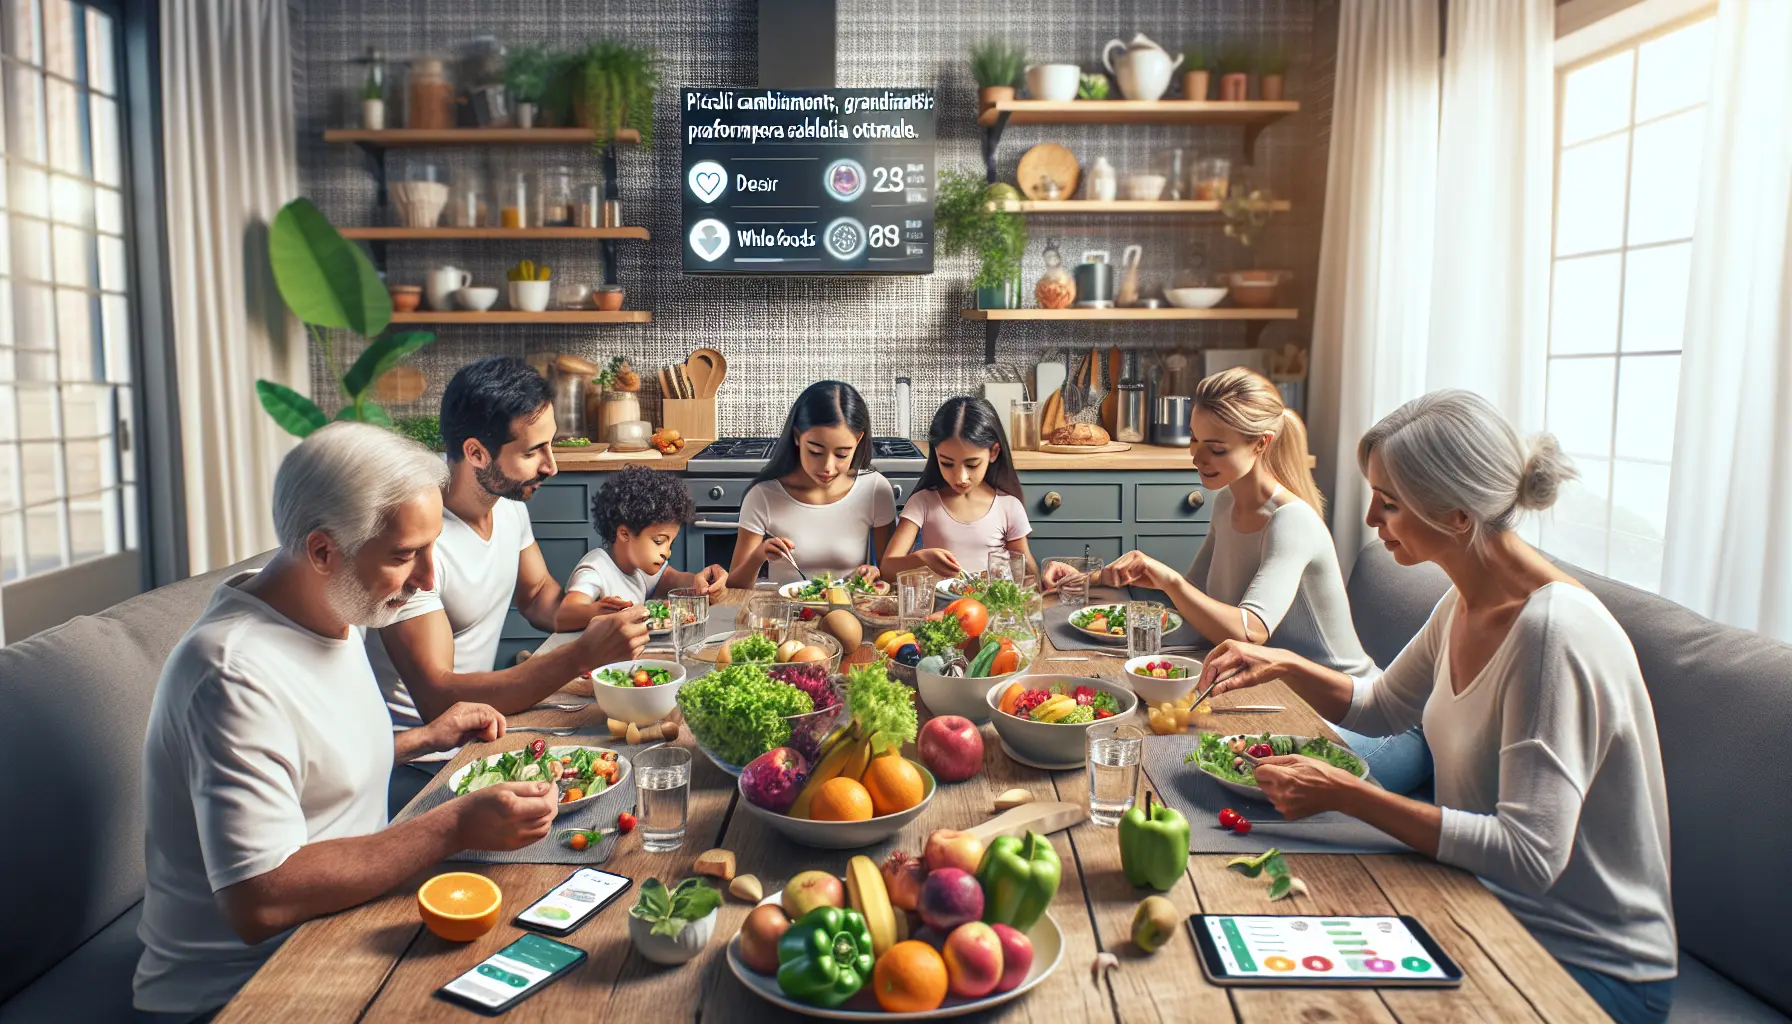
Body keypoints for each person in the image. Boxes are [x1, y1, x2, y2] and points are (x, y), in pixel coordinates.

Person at [1199, 390, 1675, 1024]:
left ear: (1457, 515)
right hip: (1474, 904)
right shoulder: (1464, 601)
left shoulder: (1551, 634)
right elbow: (1380, 709)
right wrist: (1283, 663)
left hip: (1581, 966)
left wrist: (1347, 793)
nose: (1371, 517)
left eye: (1390, 502)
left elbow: (1529, 856)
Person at [135, 424, 559, 1022]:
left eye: (432, 548)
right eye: (405, 555)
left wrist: (419, 740)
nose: (428, 579)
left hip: (344, 929)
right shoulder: (231, 672)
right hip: (244, 991)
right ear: (322, 551)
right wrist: (454, 825)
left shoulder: (335, 607)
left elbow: (302, 762)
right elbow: (258, 902)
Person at [1042, 367, 1431, 793]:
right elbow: (1189, 609)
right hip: (1283, 702)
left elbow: (1250, 631)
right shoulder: (1227, 502)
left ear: (1261, 444)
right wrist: (1089, 580)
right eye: (1194, 440)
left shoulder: (1291, 521)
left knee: (1232, 778)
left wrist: (1170, 581)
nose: (1197, 457)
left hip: (1368, 725)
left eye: (1216, 448)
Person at [369, 357, 647, 812]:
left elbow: (538, 598)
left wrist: (602, 613)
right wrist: (582, 654)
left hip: (487, 735)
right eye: (534, 451)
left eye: (550, 445)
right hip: (421, 769)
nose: (552, 466)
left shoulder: (506, 497)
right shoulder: (414, 537)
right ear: (477, 453)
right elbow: (438, 698)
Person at [728, 380, 895, 588]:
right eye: (815, 452)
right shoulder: (763, 496)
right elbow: (733, 588)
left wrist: (875, 572)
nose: (827, 467)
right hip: (784, 609)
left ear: (858, 441)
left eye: (842, 454)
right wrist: (759, 555)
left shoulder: (874, 490)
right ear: (797, 437)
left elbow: (891, 574)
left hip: (850, 605)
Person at [554, 464, 727, 630]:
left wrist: (704, 582)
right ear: (624, 534)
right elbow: (564, 616)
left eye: (671, 543)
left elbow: (674, 579)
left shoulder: (638, 566)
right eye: (659, 541)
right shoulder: (596, 568)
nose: (667, 553)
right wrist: (598, 611)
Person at [882, 395, 1034, 579]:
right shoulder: (923, 502)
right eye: (947, 463)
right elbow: (887, 567)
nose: (960, 478)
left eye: (972, 465)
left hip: (991, 598)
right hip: (939, 598)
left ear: (993, 452)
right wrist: (920, 560)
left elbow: (1028, 572)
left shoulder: (1008, 506)